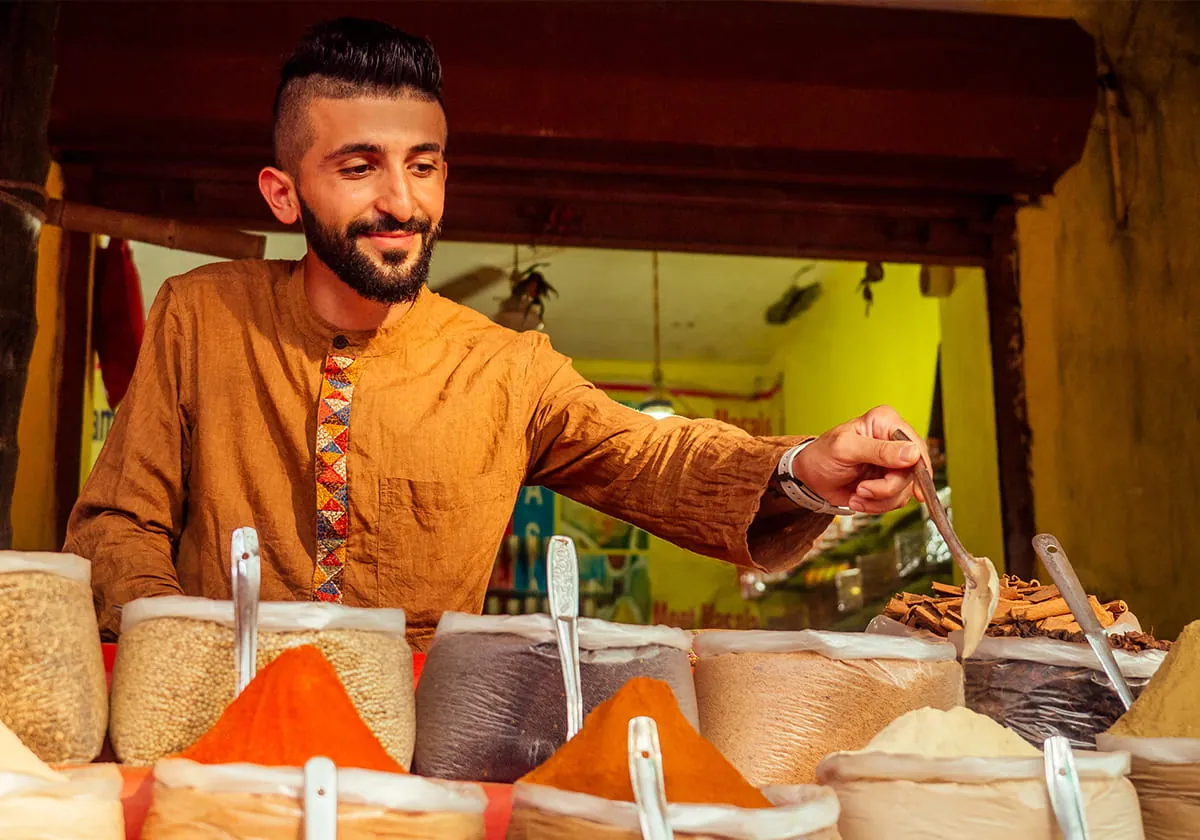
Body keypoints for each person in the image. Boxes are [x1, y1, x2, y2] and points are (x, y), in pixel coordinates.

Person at [66, 18, 930, 650]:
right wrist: (178, 650)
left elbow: (652, 459)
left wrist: (804, 467)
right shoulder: (202, 316)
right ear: (284, 194)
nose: (401, 203)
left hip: (417, 765)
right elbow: (118, 520)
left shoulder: (506, 368)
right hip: (212, 731)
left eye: (424, 166)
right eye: (359, 166)